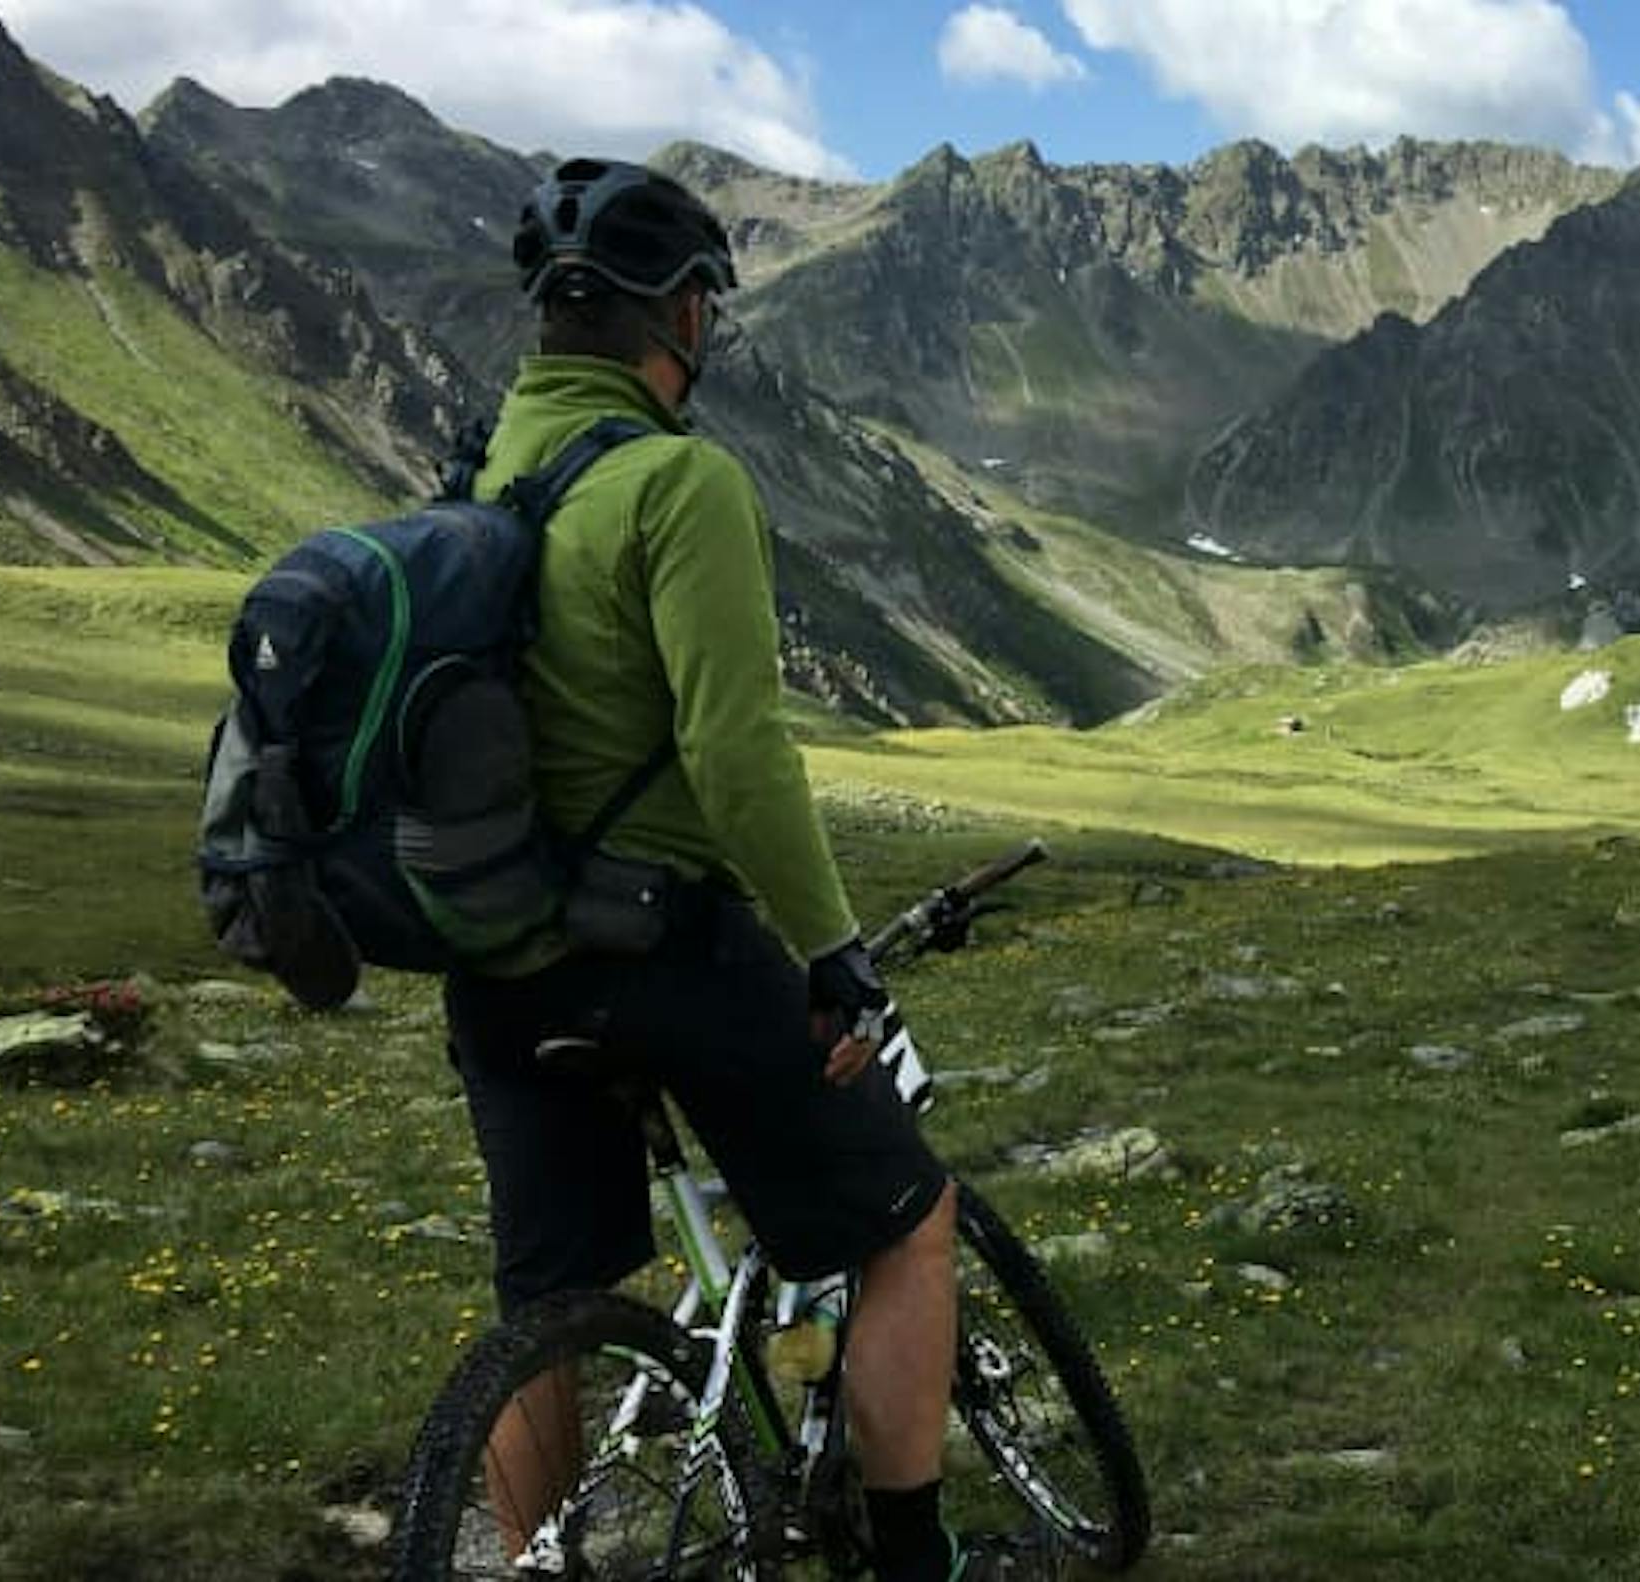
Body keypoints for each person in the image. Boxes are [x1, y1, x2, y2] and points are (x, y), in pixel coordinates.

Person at [442, 157, 988, 1582]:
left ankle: (539, 1562)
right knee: (908, 1223)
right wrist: (832, 951)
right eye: (706, 307)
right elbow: (738, 758)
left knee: (541, 1298)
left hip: (494, 954)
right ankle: (914, 1560)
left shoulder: (484, 479)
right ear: (679, 314)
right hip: (656, 945)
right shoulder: (677, 482)